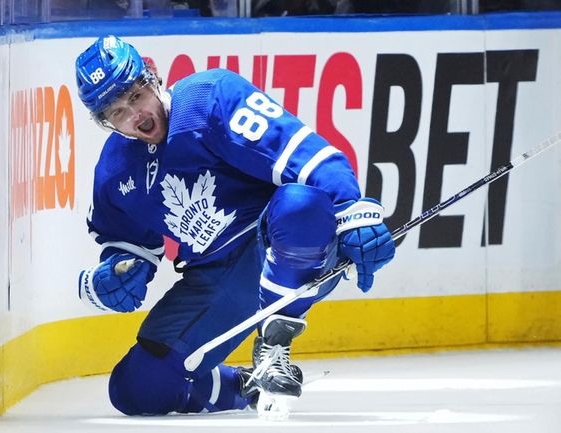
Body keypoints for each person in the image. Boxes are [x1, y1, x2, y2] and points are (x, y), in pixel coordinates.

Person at [74, 35, 395, 416]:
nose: (135, 115)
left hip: (281, 246)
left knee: (301, 205)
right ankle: (244, 386)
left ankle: (274, 346)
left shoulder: (209, 98)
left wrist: (351, 208)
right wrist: (114, 274)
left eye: (135, 96)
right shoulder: (114, 170)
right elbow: (124, 244)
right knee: (136, 388)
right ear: (103, 121)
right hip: (213, 281)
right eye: (117, 112)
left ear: (153, 76)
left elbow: (311, 158)